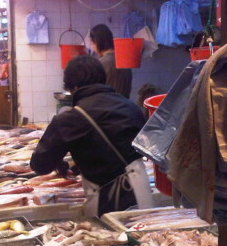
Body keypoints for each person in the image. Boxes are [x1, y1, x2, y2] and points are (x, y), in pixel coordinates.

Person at [30, 55, 152, 216]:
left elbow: (40, 165)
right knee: (144, 240)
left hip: (107, 201)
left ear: (72, 87)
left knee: (109, 240)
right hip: (142, 191)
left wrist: (58, 160)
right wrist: (80, 162)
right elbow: (119, 147)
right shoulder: (130, 106)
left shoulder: (71, 118)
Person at [89, 24, 132, 98]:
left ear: (97, 42)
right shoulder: (124, 61)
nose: (92, 47)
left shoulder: (100, 64)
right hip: (125, 107)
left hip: (106, 107)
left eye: (92, 43)